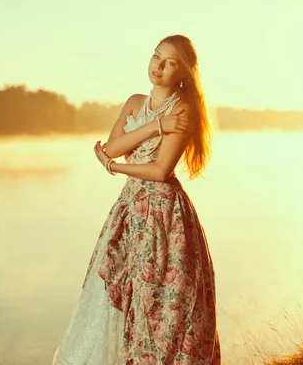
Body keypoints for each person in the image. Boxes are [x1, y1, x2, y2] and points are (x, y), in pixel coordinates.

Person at [52, 35, 221, 364]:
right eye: (156, 56)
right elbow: (113, 147)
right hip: (130, 210)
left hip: (164, 213)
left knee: (164, 308)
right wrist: (156, 125)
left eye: (170, 62)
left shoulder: (184, 108)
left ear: (183, 72)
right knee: (121, 298)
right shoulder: (134, 102)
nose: (158, 66)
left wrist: (113, 166)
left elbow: (160, 170)